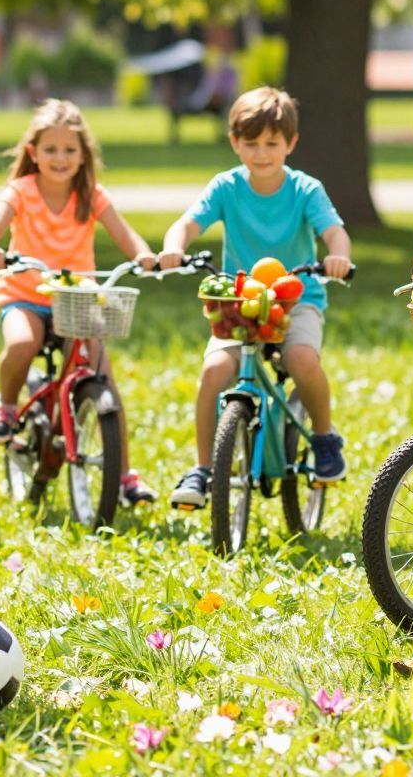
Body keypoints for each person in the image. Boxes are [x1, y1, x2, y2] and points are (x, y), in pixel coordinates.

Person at [157, 86, 353, 509]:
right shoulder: (226, 187)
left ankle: (323, 438)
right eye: (251, 144)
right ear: (234, 143)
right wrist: (175, 246)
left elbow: (334, 231)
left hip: (296, 298)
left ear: (291, 144)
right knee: (214, 372)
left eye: (271, 144)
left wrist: (338, 255)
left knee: (302, 360)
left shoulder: (305, 189)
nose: (261, 154)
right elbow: (188, 223)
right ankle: (203, 467)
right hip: (239, 301)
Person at [0, 98, 158, 506]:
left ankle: (123, 476)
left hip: (77, 300)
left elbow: (128, 238)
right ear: (34, 153)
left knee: (103, 376)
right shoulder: (21, 191)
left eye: (70, 150)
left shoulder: (91, 193)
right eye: (51, 150)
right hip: (26, 295)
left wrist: (144, 256)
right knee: (22, 344)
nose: (60, 158)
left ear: (83, 155)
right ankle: (5, 408)